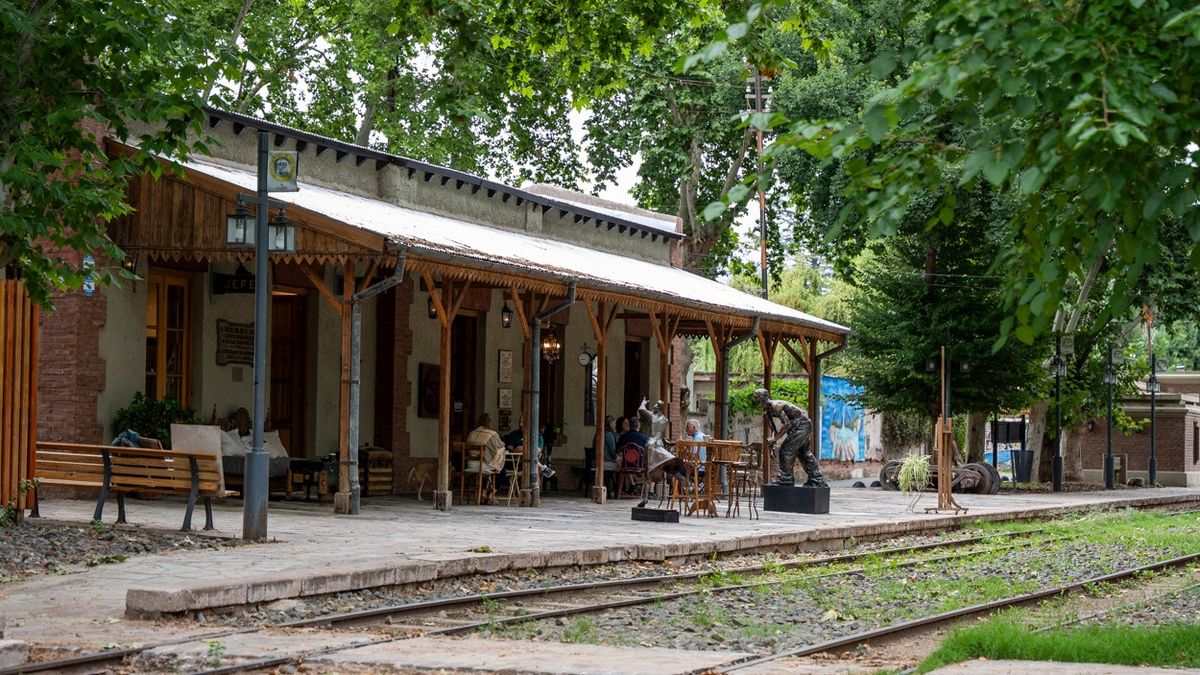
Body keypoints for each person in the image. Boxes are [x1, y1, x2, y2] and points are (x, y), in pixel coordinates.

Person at [753, 388, 826, 488]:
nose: (754, 399)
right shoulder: (767, 412)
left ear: (762, 397)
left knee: (786, 451)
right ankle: (816, 479)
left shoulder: (776, 406)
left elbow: (786, 424)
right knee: (803, 453)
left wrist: (775, 439)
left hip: (802, 425)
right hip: (796, 426)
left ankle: (785, 479)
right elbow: (774, 429)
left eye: (756, 396)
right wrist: (772, 442)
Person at [466, 414, 506, 503]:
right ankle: (491, 495)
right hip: (482, 466)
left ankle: (483, 493)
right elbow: (500, 446)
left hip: (470, 464)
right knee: (501, 471)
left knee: (486, 472)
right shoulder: (491, 434)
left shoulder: (472, 433)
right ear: (489, 422)